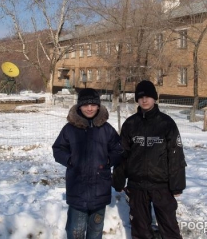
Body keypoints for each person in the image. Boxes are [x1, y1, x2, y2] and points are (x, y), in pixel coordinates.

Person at [112, 80, 187, 239]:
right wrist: (118, 180)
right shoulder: (130, 124)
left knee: (169, 227)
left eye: (148, 96)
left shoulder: (167, 123)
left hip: (162, 185)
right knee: (140, 230)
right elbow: (121, 155)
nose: (144, 100)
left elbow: (176, 155)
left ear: (155, 98)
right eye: (140, 97)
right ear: (137, 100)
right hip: (137, 185)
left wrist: (177, 185)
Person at [53, 88, 123, 239]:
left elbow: (118, 149)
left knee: (96, 231)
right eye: (85, 105)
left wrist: (109, 160)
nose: (89, 108)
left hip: (100, 190)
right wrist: (70, 160)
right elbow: (58, 149)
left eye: (93, 104)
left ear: (98, 106)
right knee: (75, 231)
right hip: (78, 190)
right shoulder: (70, 129)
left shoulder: (106, 129)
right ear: (79, 106)